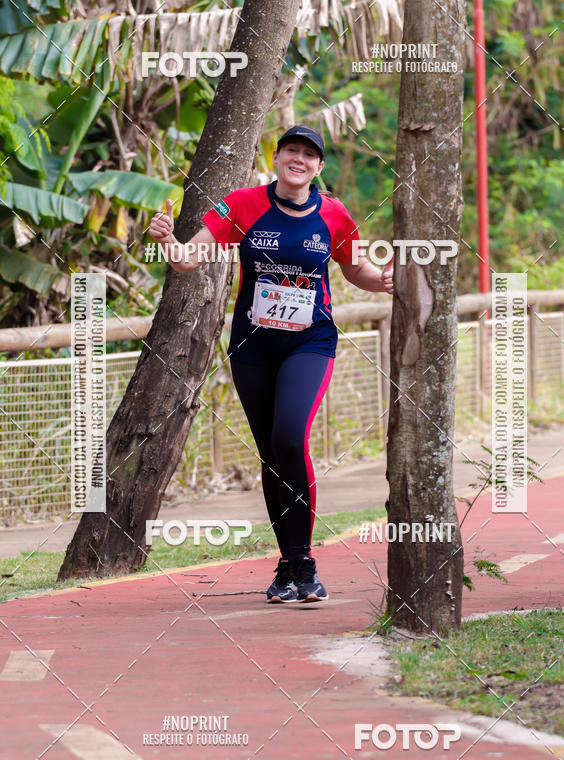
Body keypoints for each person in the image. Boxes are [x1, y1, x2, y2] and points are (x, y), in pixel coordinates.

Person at [149, 125, 393, 603]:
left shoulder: (335, 214)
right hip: (253, 345)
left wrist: (382, 282)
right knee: (270, 454)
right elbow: (188, 260)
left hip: (311, 341)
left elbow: (354, 269)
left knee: (289, 438)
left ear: (319, 167)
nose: (298, 159)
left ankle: (305, 563)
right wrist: (170, 246)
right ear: (277, 158)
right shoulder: (242, 204)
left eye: (309, 155)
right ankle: (288, 565)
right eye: (291, 151)